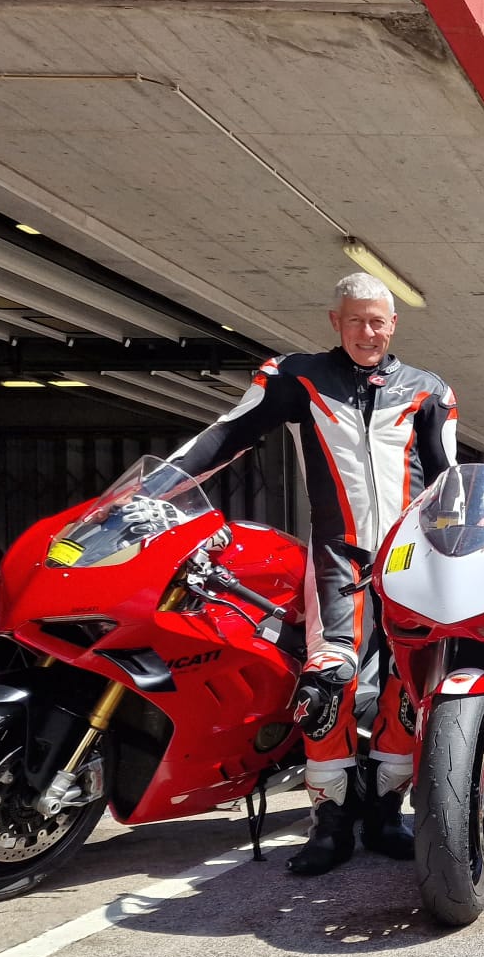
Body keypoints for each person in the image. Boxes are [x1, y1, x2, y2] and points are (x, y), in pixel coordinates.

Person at [167, 271, 458, 875]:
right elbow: (227, 433)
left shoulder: (428, 389)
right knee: (326, 687)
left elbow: (447, 480)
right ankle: (330, 825)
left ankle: (384, 811)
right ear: (336, 322)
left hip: (411, 559)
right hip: (336, 555)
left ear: (394, 324)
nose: (368, 332)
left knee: (412, 686)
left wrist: (462, 545)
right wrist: (161, 487)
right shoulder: (298, 376)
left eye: (378, 321)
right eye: (356, 320)